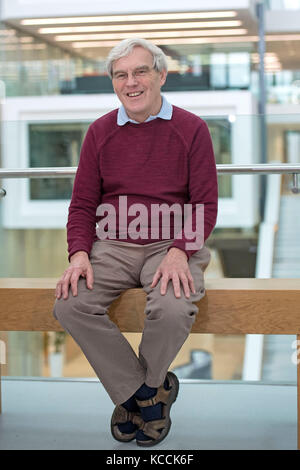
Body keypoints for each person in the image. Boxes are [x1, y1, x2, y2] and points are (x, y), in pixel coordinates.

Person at [53, 38, 218, 447]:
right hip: (112, 244)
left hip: (172, 243)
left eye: (141, 71)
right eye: (121, 74)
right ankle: (146, 394)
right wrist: (78, 254)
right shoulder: (100, 132)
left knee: (174, 306)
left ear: (161, 75)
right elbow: (83, 204)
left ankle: (137, 396)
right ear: (113, 83)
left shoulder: (191, 128)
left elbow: (205, 203)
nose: (132, 82)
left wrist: (182, 249)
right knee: (70, 304)